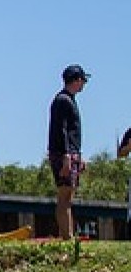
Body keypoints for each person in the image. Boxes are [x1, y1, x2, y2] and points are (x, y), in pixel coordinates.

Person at [48, 64, 89, 239]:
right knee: (64, 195)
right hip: (63, 153)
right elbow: (61, 129)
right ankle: (67, 236)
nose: (84, 84)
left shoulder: (70, 99)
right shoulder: (62, 100)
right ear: (77, 80)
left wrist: (78, 155)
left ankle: (68, 234)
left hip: (72, 152)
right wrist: (66, 156)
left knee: (68, 196)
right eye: (83, 80)